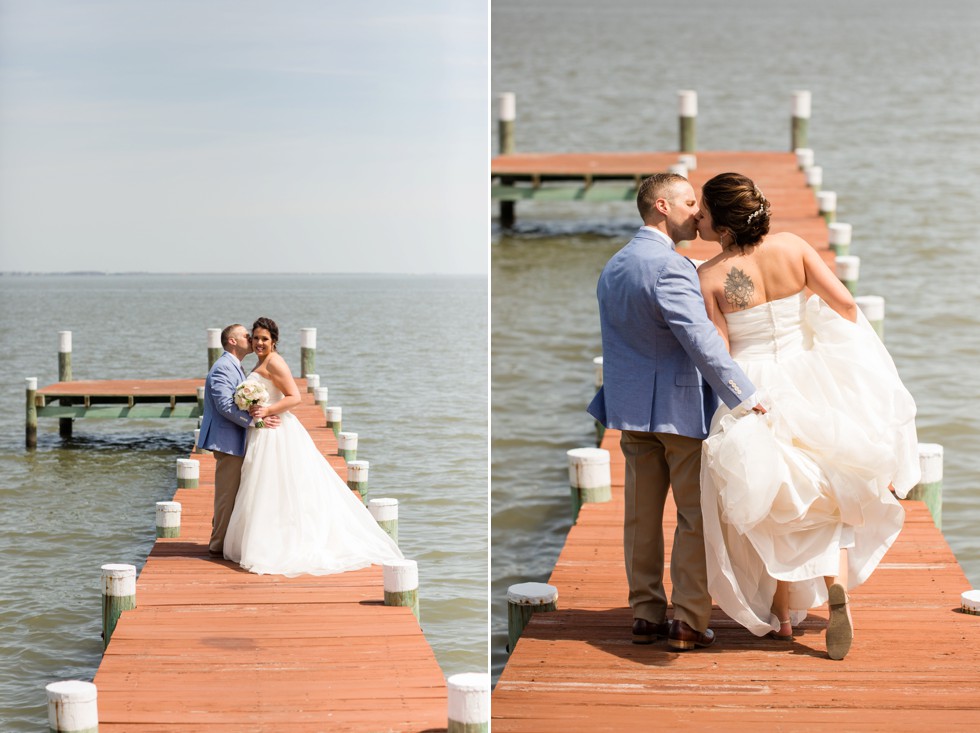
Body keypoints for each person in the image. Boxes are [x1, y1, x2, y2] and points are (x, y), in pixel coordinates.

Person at [695, 172, 919, 660]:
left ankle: (781, 617)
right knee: (831, 486)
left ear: (725, 226)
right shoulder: (794, 247)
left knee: (777, 497)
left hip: (757, 386)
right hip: (811, 374)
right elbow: (843, 303)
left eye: (705, 213)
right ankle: (833, 585)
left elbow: (723, 355)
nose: (698, 219)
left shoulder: (709, 276)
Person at [587, 172, 764, 651]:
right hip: (679, 412)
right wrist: (742, 393)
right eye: (689, 201)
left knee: (641, 518)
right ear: (662, 206)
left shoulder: (615, 266)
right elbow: (700, 339)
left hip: (630, 412)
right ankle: (686, 619)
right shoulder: (671, 267)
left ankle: (645, 613)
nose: (697, 211)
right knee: (693, 516)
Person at [222, 317, 403, 576]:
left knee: (276, 485)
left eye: (265, 339)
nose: (260, 343)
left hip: (277, 432)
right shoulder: (260, 361)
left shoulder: (274, 362)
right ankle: (267, 537)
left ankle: (281, 542)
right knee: (264, 486)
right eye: (256, 338)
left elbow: (294, 396)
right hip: (264, 432)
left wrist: (267, 409)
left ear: (274, 341)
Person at [198, 323, 281, 557]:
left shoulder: (235, 366)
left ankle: (226, 539)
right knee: (227, 493)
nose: (251, 339)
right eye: (246, 336)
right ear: (232, 341)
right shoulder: (223, 367)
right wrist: (256, 421)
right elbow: (225, 406)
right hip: (227, 440)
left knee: (235, 492)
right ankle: (217, 545)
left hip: (236, 438)